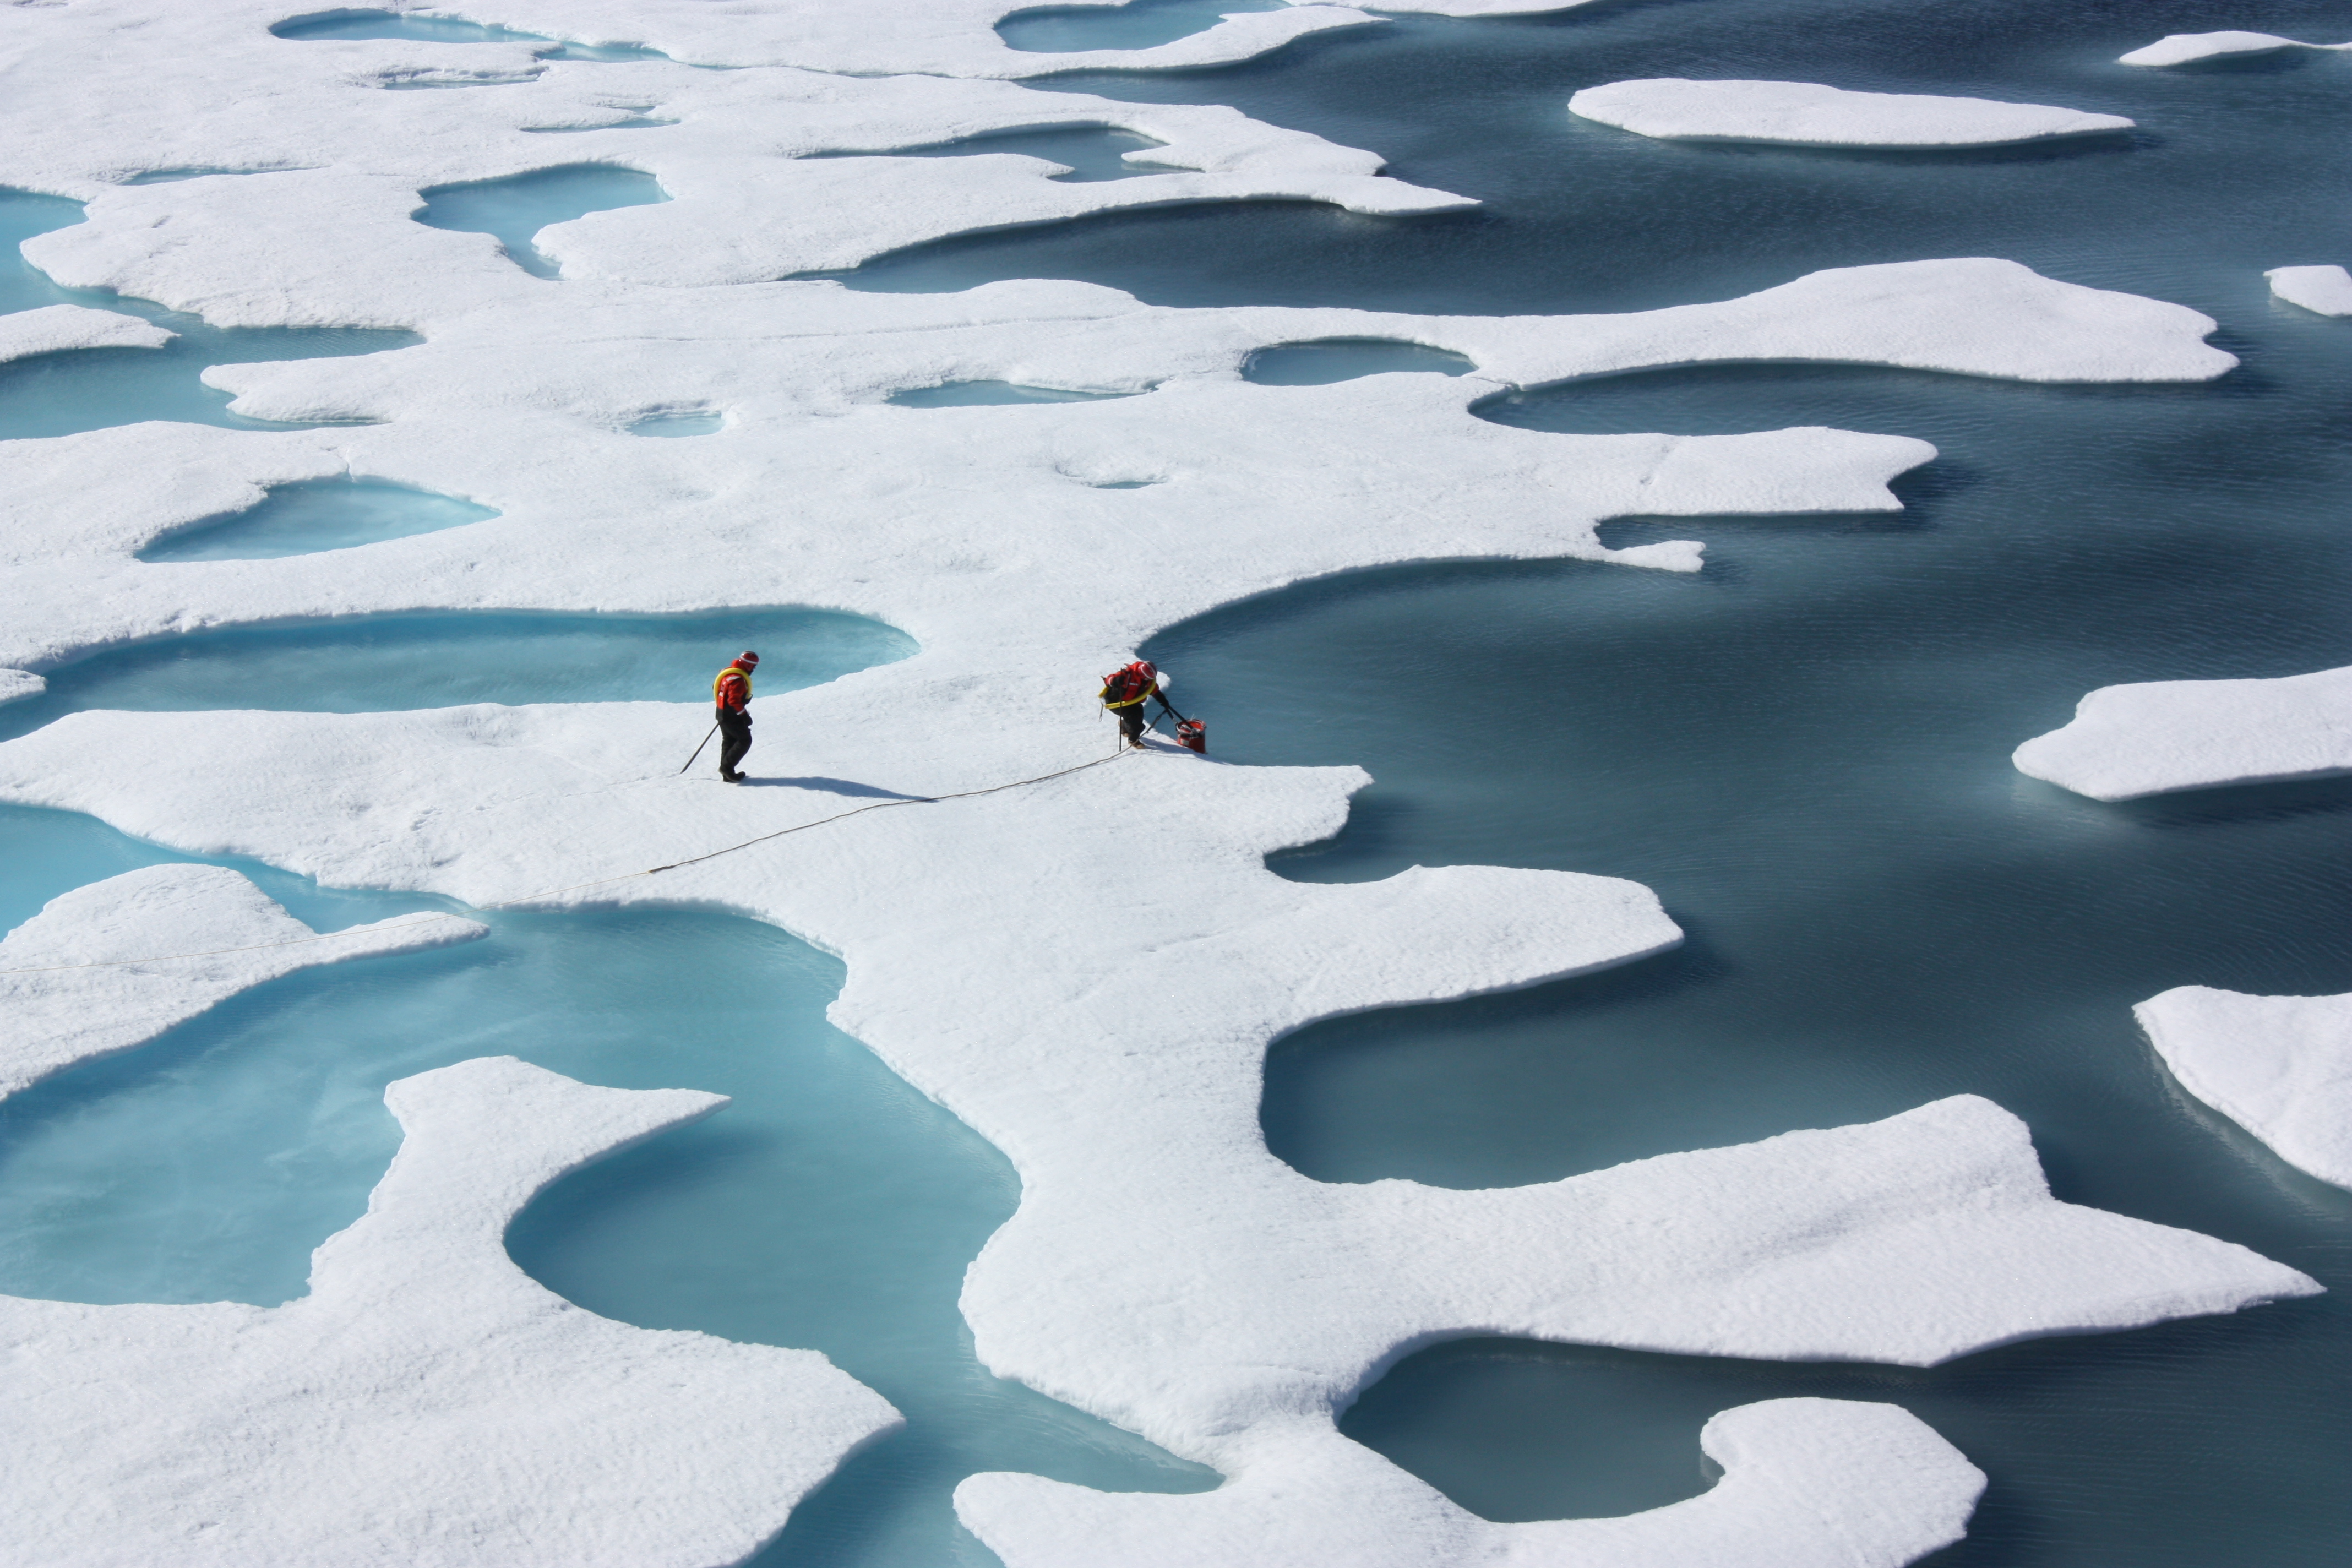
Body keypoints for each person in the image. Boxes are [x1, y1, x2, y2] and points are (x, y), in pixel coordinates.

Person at [1099, 659, 1173, 749]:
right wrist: (1115, 681)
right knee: (1137, 724)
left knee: (1137, 715)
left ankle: (1124, 725)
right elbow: (1108, 680)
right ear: (1142, 675)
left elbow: (1154, 691)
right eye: (1147, 678)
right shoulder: (1127, 675)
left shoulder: (1148, 681)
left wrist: (1163, 700)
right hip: (1117, 703)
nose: (1149, 680)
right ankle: (1133, 740)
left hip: (1132, 702)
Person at [714, 650, 759, 782]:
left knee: (729, 740)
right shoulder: (738, 680)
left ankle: (727, 774)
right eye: (754, 666)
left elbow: (716, 687)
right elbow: (734, 701)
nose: (754, 669)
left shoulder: (727, 673)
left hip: (721, 712)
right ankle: (727, 769)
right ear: (748, 665)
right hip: (731, 715)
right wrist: (744, 715)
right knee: (744, 740)